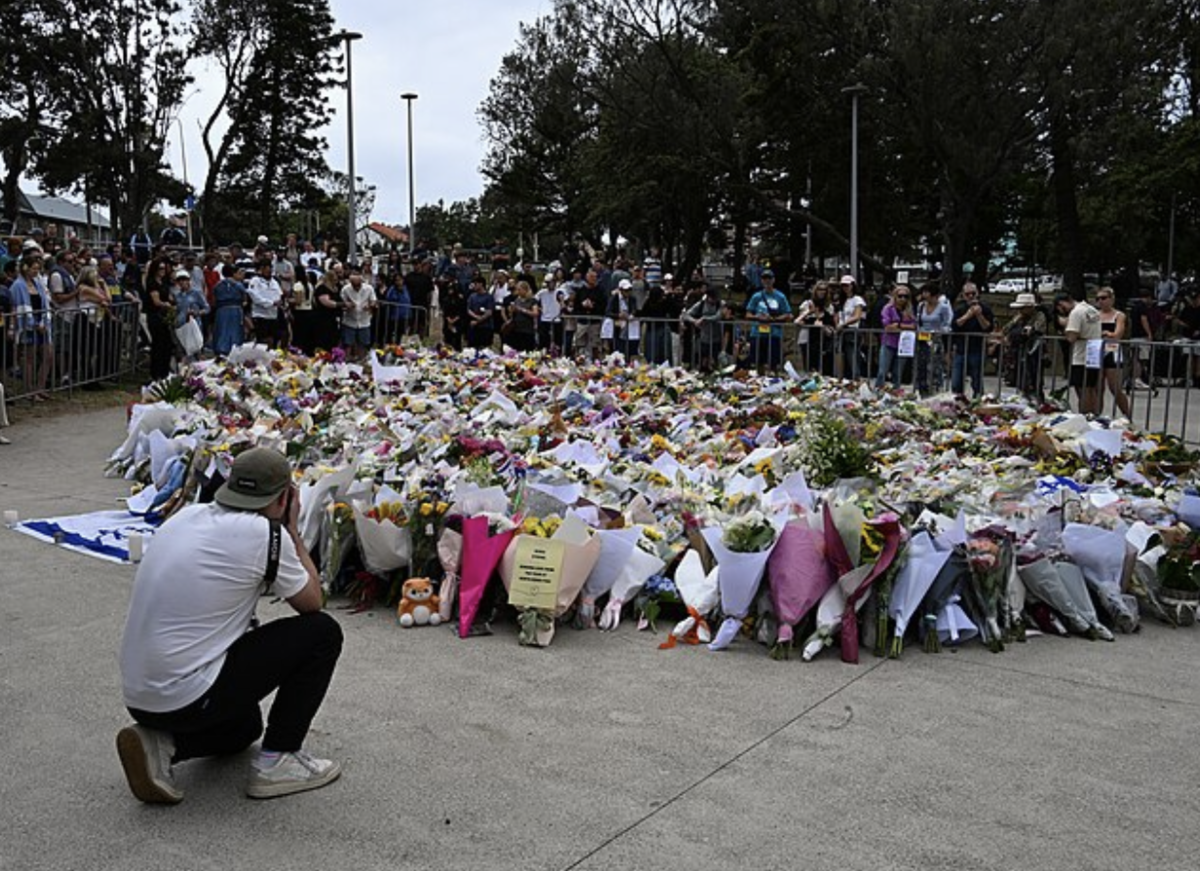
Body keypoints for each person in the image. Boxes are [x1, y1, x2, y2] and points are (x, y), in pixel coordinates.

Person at [117, 447, 343, 804]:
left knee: (246, 727)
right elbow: (312, 602)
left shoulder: (187, 516)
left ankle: (162, 745)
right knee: (322, 633)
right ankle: (278, 761)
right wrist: (294, 532)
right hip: (186, 695)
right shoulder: (266, 535)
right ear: (285, 497)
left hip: (141, 695)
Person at [1056, 292, 1102, 415]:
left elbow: (1072, 336)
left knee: (1082, 388)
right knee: (1092, 388)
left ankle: (1085, 415)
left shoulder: (1076, 313)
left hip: (1081, 354)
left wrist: (1064, 328)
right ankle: (1095, 415)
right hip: (1094, 352)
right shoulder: (1091, 309)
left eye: (1061, 307)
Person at [950, 281, 993, 397]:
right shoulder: (959, 309)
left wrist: (979, 315)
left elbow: (988, 328)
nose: (970, 296)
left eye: (973, 293)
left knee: (977, 380)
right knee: (956, 381)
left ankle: (978, 402)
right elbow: (954, 325)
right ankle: (957, 403)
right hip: (961, 348)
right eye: (967, 294)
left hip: (977, 349)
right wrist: (967, 316)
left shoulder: (985, 308)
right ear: (963, 295)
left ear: (977, 293)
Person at [745, 269, 791, 373]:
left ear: (773, 280)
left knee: (774, 362)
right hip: (757, 333)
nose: (767, 281)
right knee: (758, 361)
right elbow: (748, 313)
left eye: (769, 279)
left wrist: (774, 319)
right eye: (764, 279)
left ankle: (773, 380)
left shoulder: (780, 296)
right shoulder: (756, 296)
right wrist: (758, 317)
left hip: (774, 333)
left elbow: (788, 314)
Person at [1001, 292, 1046, 399]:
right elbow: (1005, 329)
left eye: (1022, 308)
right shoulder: (1018, 317)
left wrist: (1027, 331)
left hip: (1034, 350)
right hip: (1018, 351)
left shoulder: (1039, 316)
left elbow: (1035, 330)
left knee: (1035, 378)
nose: (1020, 310)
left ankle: (1037, 399)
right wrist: (1015, 322)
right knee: (1020, 377)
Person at [1095, 287, 1132, 417]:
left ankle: (1127, 415)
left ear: (1111, 299)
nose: (1100, 301)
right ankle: (1097, 416)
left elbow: (1118, 333)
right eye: (1098, 299)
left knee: (1115, 387)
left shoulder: (1119, 315)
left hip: (1112, 351)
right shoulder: (1095, 314)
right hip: (1097, 351)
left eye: (1104, 298)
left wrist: (1108, 334)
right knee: (1098, 388)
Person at [875, 284, 916, 390]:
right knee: (882, 370)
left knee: (898, 372)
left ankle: (895, 392)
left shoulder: (909, 310)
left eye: (906, 296)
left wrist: (897, 325)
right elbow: (887, 327)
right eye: (900, 296)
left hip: (904, 344)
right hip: (888, 342)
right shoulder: (888, 308)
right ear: (895, 296)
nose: (903, 299)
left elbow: (914, 326)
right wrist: (904, 326)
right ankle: (878, 390)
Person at [914, 282, 952, 396]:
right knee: (921, 364)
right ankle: (921, 388)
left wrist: (940, 331)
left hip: (936, 338)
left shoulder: (943, 307)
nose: (925, 295)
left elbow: (947, 323)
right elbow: (919, 321)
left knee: (935, 364)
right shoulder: (921, 306)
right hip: (923, 338)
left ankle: (935, 386)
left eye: (927, 292)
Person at [793, 280, 836, 376]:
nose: (822, 292)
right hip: (807, 339)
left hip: (824, 341)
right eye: (820, 289)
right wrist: (809, 312)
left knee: (825, 368)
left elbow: (832, 326)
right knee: (809, 367)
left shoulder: (829, 307)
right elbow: (797, 321)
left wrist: (823, 327)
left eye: (824, 290)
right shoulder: (807, 304)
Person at [211, 264, 249, 357]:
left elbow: (213, 301)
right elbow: (245, 299)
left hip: (221, 311)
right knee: (235, 332)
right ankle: (235, 350)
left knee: (222, 331)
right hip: (235, 310)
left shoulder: (217, 285)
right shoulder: (239, 285)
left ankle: (221, 351)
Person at [339, 267, 375, 361]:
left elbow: (374, 301)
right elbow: (342, 302)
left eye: (357, 285)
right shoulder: (345, 289)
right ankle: (347, 363)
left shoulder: (369, 288)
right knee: (348, 344)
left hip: (364, 321)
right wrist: (347, 305)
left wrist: (370, 305)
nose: (356, 287)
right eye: (353, 285)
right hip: (349, 321)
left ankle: (362, 362)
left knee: (363, 344)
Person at [835, 275, 866, 380]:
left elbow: (857, 316)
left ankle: (856, 378)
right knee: (841, 356)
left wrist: (843, 324)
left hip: (852, 330)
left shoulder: (857, 299)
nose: (845, 288)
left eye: (847, 285)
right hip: (841, 331)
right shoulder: (842, 300)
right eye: (843, 286)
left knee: (852, 356)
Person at [501, 280, 539, 352]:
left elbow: (535, 313)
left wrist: (522, 310)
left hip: (528, 329)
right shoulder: (517, 300)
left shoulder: (532, 300)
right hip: (517, 328)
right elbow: (512, 315)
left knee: (528, 349)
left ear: (525, 290)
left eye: (519, 290)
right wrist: (511, 311)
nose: (518, 291)